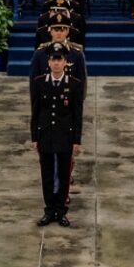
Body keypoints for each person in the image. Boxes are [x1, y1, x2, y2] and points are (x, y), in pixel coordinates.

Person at [30, 42, 86, 228]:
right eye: (53, 59)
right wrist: (34, 137)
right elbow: (35, 112)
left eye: (59, 59)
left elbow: (77, 115)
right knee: (46, 173)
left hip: (65, 135)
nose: (56, 63)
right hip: (46, 134)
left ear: (65, 62)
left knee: (63, 173)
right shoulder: (39, 83)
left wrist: (76, 140)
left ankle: (61, 210)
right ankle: (49, 209)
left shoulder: (74, 85)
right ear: (48, 62)